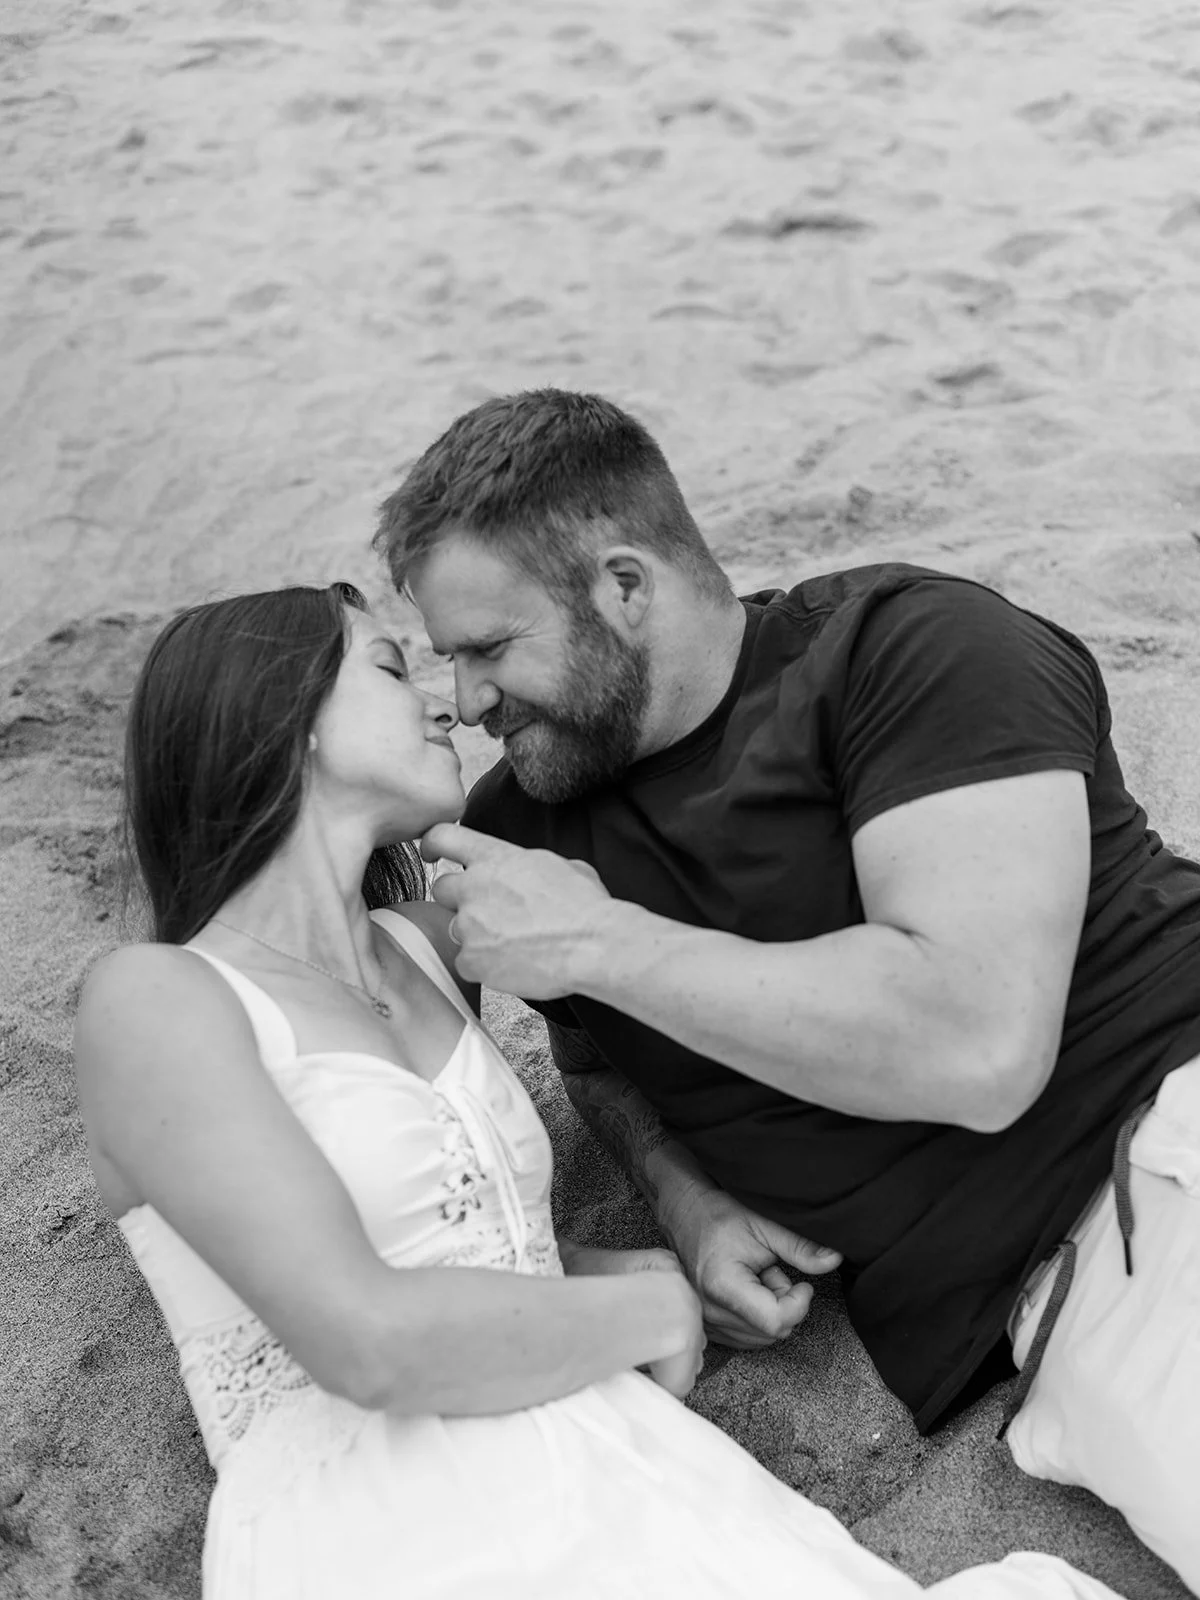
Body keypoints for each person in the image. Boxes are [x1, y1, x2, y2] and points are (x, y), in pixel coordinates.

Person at [72, 582, 1119, 1600]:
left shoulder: (433, 947)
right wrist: (647, 1307)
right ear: (285, 719)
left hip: (610, 1444)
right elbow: (363, 1336)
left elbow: (456, 1230)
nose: (445, 704)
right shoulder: (159, 998)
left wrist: (652, 1239)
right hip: (389, 1510)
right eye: (391, 669)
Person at [374, 389, 1200, 1594]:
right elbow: (596, 1058)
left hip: (1168, 1134)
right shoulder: (524, 831)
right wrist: (683, 1191)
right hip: (1053, 1320)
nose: (466, 701)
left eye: (490, 648)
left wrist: (601, 941)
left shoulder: (907, 653)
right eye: (445, 657)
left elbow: (978, 1042)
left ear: (624, 585)